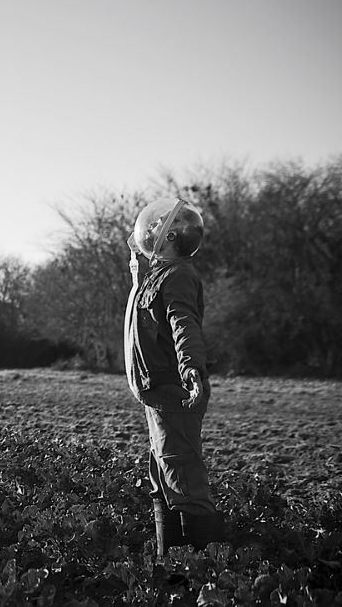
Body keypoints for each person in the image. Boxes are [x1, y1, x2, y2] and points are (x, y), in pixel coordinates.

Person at [123, 197, 226, 555]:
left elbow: (184, 325)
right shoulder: (159, 275)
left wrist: (192, 371)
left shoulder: (179, 275)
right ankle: (170, 572)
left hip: (174, 393)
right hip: (157, 394)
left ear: (170, 238)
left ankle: (209, 576)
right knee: (163, 482)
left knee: (184, 483)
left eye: (157, 226)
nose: (149, 230)